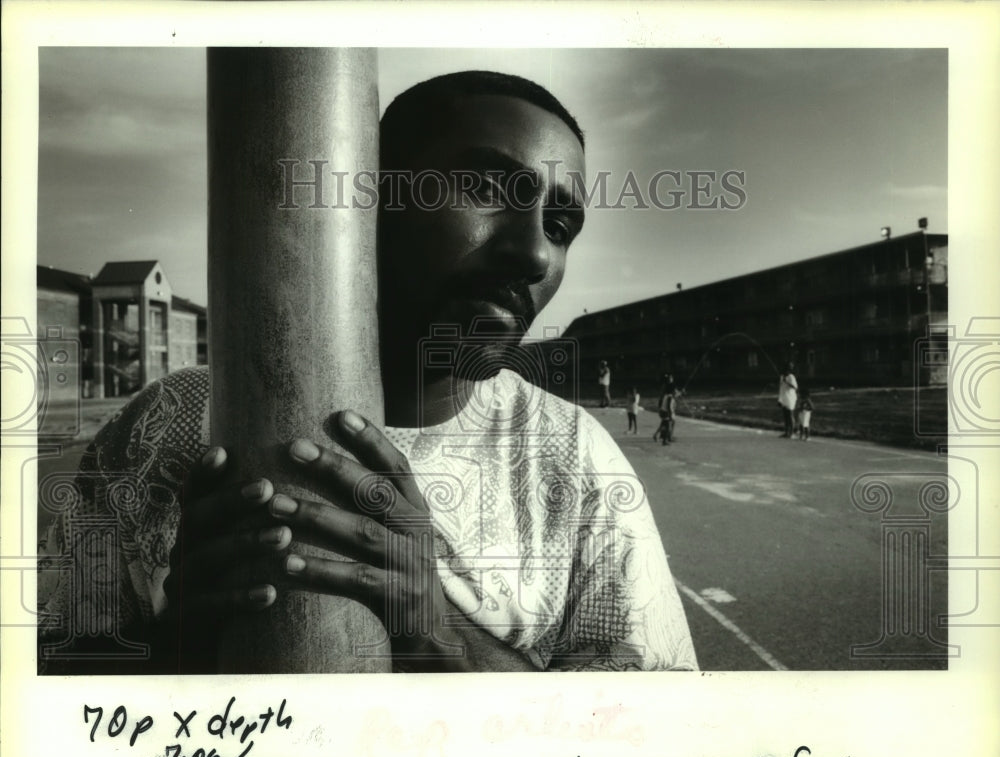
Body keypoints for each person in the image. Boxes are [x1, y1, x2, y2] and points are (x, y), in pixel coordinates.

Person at [38, 70, 697, 674]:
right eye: (487, 189)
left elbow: (651, 747)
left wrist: (438, 635)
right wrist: (170, 652)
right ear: (366, 197)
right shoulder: (167, 425)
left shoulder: (578, 461)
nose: (532, 252)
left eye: (559, 225)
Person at [653, 375, 677, 445]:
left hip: (663, 411)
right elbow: (669, 406)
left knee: (663, 424)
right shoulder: (670, 397)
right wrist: (670, 414)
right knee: (668, 426)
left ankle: (656, 435)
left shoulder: (666, 395)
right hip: (666, 412)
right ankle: (665, 440)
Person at [777, 362, 798, 438]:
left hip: (790, 397)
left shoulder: (791, 377)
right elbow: (781, 388)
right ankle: (786, 432)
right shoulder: (782, 376)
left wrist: (787, 382)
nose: (785, 370)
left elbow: (795, 387)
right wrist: (779, 399)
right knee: (785, 415)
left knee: (790, 415)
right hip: (784, 397)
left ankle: (792, 433)